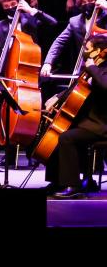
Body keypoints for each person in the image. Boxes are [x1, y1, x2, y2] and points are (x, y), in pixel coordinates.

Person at [41, 34, 107, 199]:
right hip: (87, 122)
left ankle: (73, 185)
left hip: (101, 124)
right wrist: (57, 97)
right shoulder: (91, 68)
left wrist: (92, 68)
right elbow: (76, 89)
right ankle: (57, 181)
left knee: (67, 138)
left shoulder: (100, 68)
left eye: (88, 49)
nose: (84, 51)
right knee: (55, 133)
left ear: (99, 51)